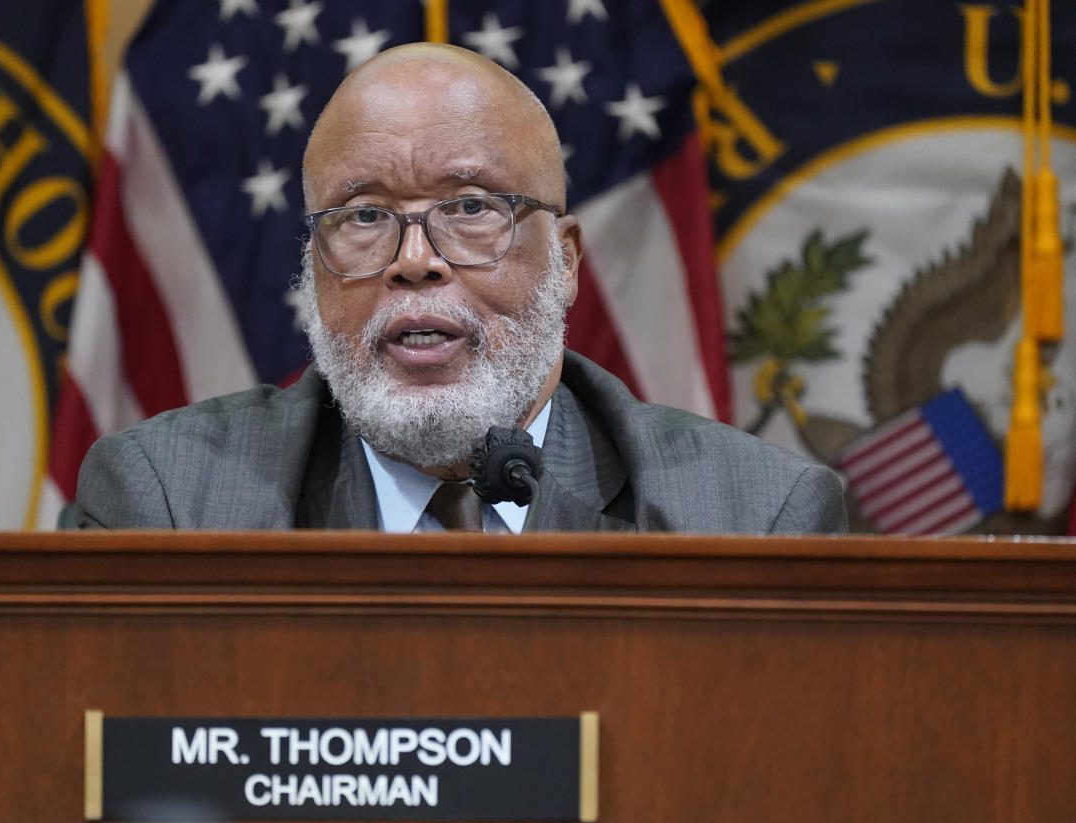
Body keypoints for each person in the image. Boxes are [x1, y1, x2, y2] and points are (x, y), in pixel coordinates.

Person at [72, 43, 846, 533]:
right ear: (313, 269)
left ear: (567, 261)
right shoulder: (167, 507)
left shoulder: (750, 518)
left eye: (472, 208)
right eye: (366, 215)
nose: (415, 261)